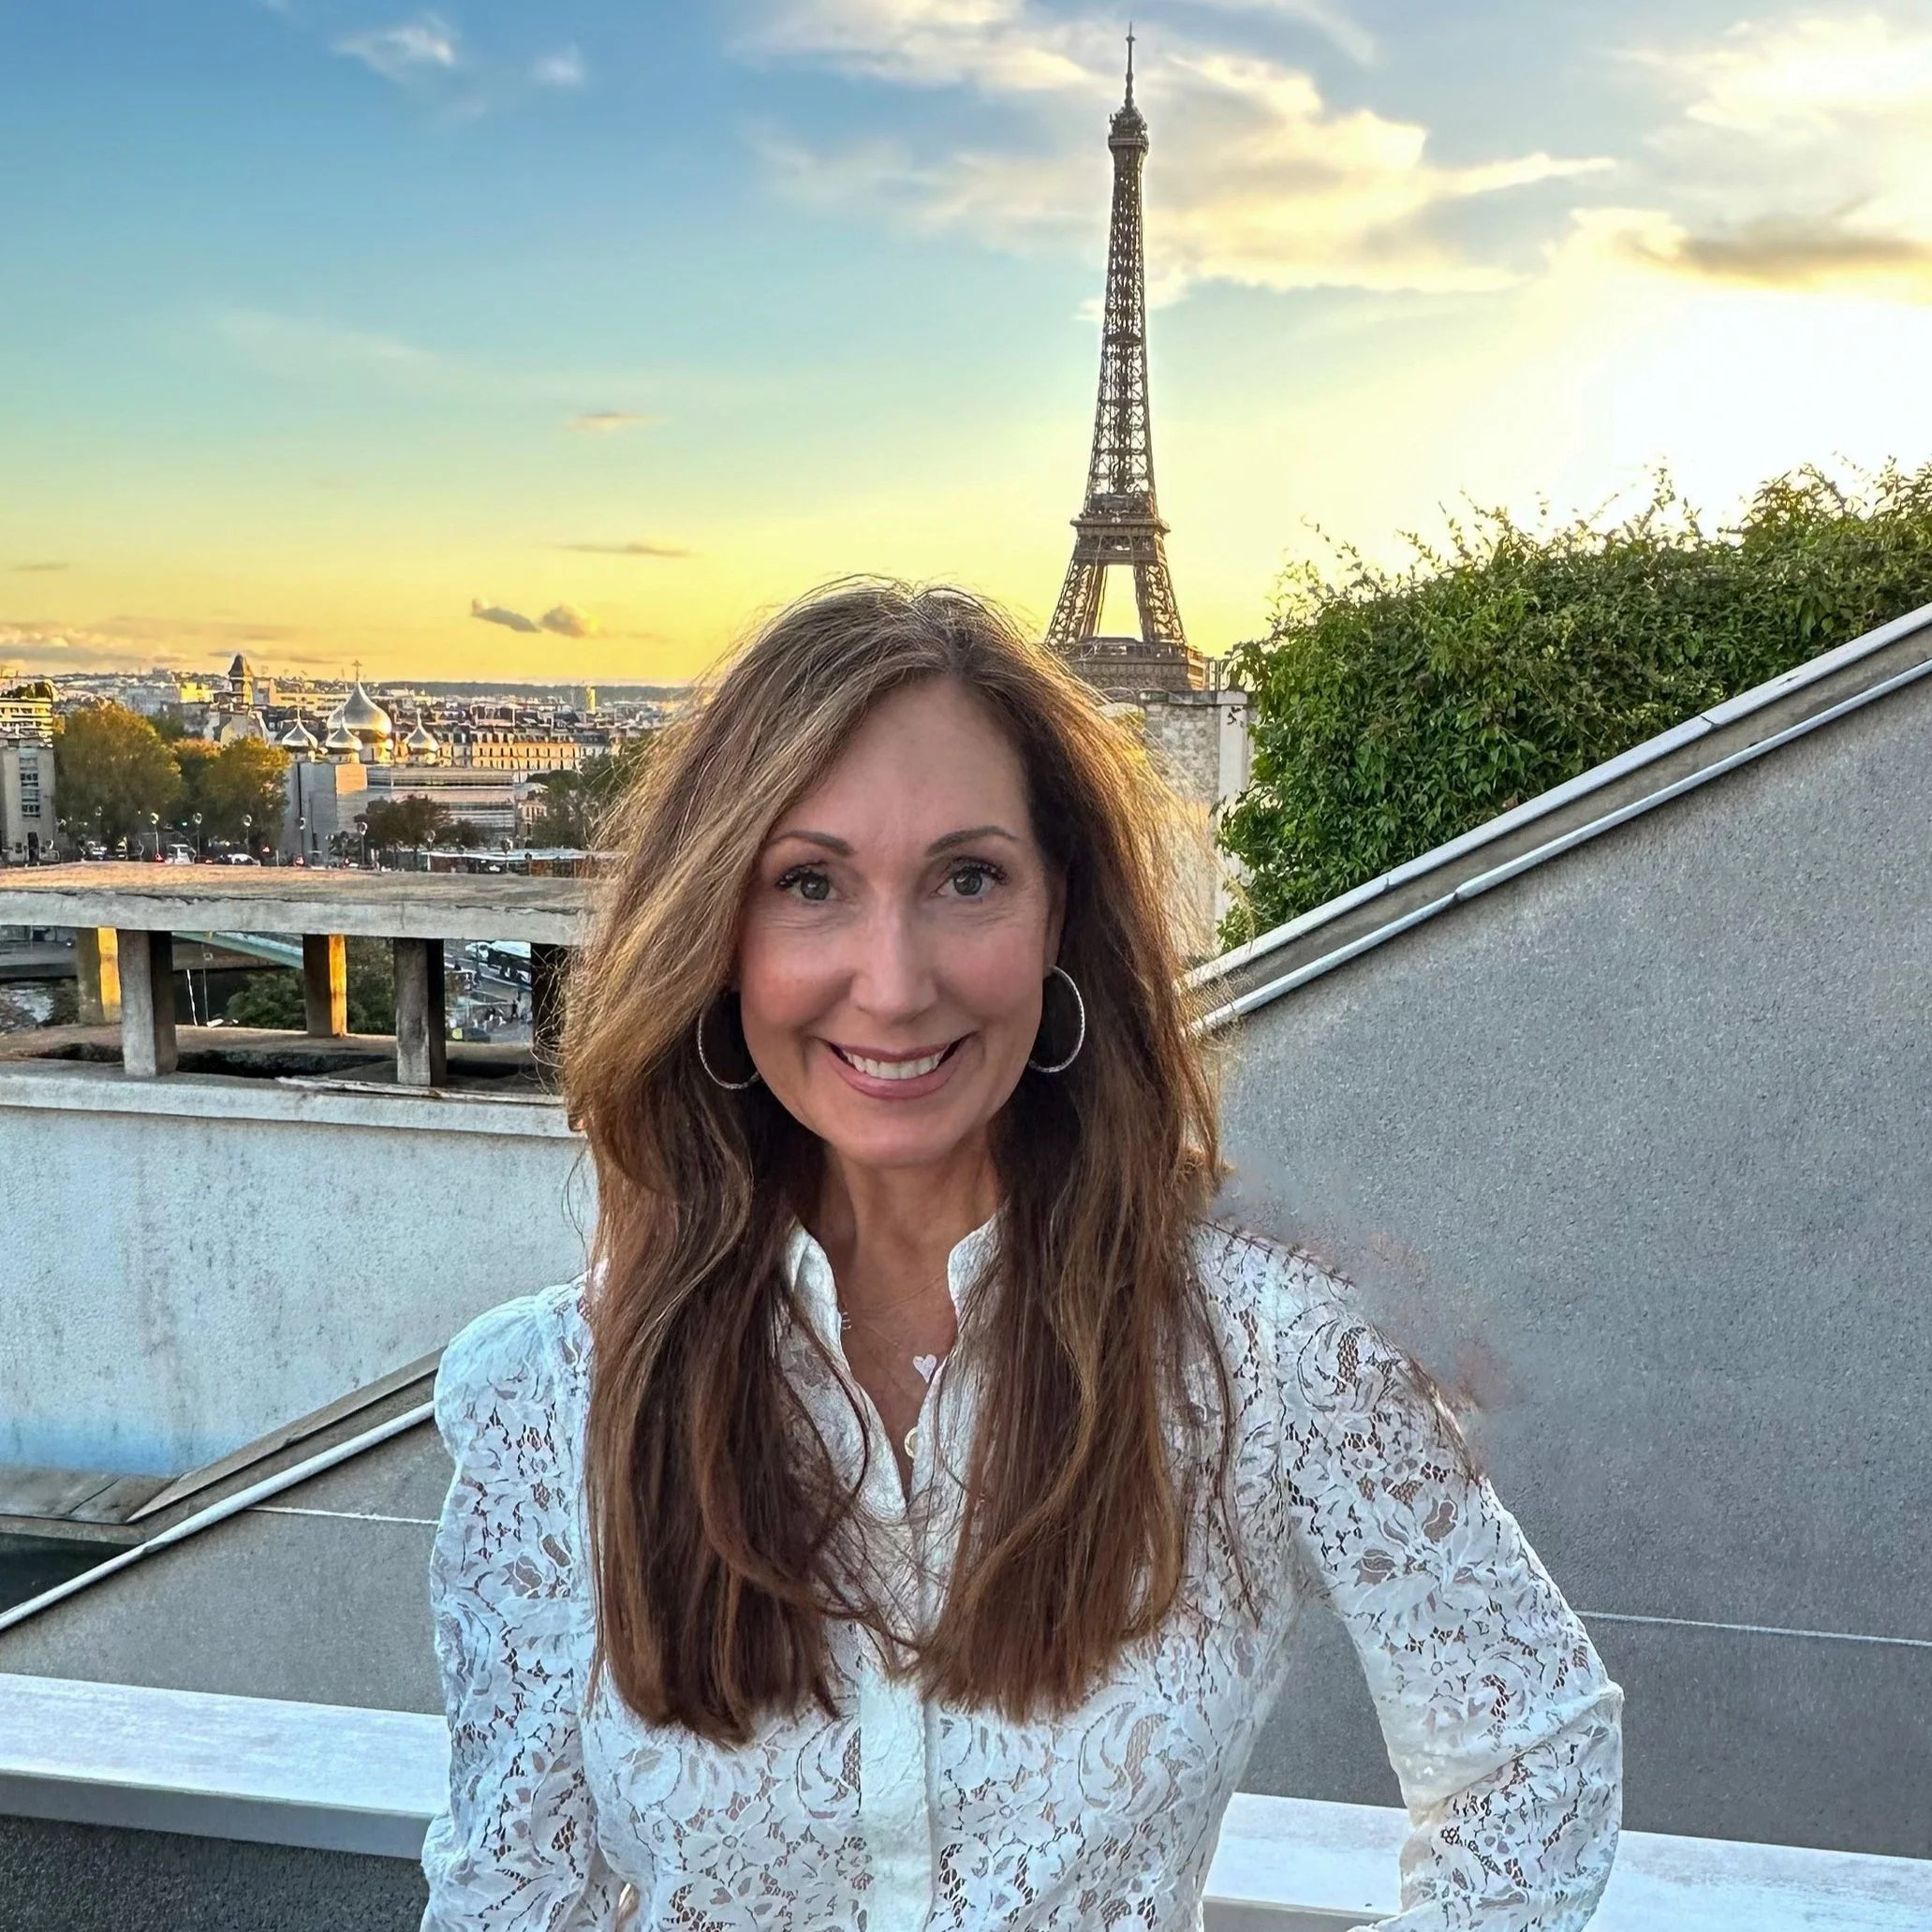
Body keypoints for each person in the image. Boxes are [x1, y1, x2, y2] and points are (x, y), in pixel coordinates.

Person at [420, 582, 1623, 1930]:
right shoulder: (554, 1395)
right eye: (810, 884)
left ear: (1059, 915)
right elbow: (512, 1892)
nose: (893, 983)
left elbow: (1533, 1750)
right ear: (721, 937)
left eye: (968, 878)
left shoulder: (1270, 1351)